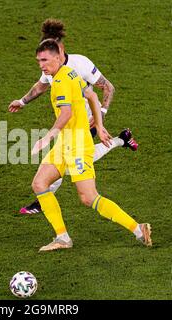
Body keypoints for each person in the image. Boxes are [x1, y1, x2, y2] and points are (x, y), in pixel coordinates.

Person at [16, 39, 152, 251]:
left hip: (77, 146)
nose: (41, 65)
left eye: (45, 60)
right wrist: (99, 123)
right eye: (38, 61)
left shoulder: (61, 81)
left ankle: (137, 228)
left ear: (58, 57)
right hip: (65, 143)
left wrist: (47, 137)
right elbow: (91, 94)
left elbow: (66, 112)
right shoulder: (70, 73)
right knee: (39, 184)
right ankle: (62, 238)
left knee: (89, 198)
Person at [9, 19, 138, 215]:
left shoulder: (81, 63)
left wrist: (100, 117)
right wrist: (23, 101)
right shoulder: (52, 68)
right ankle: (122, 139)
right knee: (69, 161)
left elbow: (107, 87)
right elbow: (41, 85)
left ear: (60, 48)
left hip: (86, 121)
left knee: (69, 163)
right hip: (70, 124)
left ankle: (43, 200)